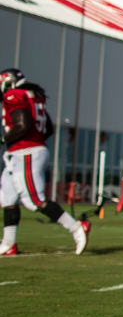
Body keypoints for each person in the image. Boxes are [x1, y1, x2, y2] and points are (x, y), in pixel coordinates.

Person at [0, 68, 89, 256]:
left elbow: (22, 125)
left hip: (25, 152)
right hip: (22, 152)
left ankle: (76, 227)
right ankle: (8, 244)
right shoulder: (33, 96)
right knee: (8, 198)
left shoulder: (14, 95)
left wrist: (5, 139)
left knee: (34, 200)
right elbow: (48, 128)